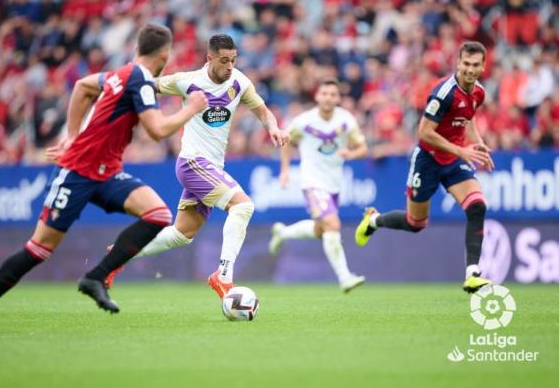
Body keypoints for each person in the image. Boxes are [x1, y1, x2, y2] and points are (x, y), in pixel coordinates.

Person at [0, 24, 208, 339]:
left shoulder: (119, 74)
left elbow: (82, 86)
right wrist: (190, 108)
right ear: (165, 55)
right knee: (39, 249)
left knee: (158, 214)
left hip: (106, 172)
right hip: (77, 172)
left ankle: (96, 276)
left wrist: (71, 136)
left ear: (137, 48)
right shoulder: (141, 79)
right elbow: (157, 131)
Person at [106, 34, 289, 299]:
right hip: (193, 163)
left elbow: (262, 111)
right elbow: (147, 86)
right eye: (224, 61)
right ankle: (223, 277)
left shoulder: (239, 82)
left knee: (182, 234)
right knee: (243, 206)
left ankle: (118, 255)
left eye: (233, 60)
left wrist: (273, 126)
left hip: (211, 167)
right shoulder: (187, 82)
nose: (229, 66)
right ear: (210, 58)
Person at [354, 41, 495, 293]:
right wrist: (462, 150)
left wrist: (479, 143)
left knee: (477, 206)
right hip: (427, 161)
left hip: (453, 161)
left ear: (483, 66)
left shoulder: (479, 93)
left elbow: (467, 120)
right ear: (458, 63)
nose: (470, 70)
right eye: (466, 64)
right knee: (415, 223)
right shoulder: (443, 93)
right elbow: (424, 133)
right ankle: (373, 220)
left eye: (475, 65)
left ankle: (472, 273)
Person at [268, 79, 367, 292]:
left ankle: (283, 233)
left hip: (335, 184)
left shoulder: (346, 120)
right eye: (325, 93)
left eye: (333, 94)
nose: (329, 97)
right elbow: (285, 141)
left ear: (338, 98)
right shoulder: (304, 121)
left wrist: (352, 153)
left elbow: (362, 148)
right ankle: (345, 277)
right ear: (317, 96)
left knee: (321, 229)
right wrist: (285, 170)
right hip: (312, 181)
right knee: (332, 224)